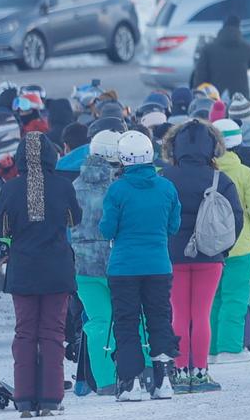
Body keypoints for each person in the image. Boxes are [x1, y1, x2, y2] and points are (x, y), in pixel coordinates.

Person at [0, 131, 79, 416]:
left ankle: (25, 398)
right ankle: (51, 399)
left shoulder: (10, 189)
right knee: (52, 332)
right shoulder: (63, 186)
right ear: (51, 155)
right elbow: (74, 219)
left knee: (25, 332)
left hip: (23, 270)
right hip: (56, 269)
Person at [161, 119, 240, 393]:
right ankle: (201, 371)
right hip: (210, 256)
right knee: (202, 314)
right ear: (213, 148)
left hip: (173, 256)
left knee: (179, 314)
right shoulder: (221, 179)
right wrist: (223, 250)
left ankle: (181, 372)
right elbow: (235, 219)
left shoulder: (165, 177)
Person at [101, 131, 180, 400]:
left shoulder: (118, 189)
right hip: (158, 265)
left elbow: (107, 229)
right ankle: (164, 379)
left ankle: (131, 382)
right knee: (159, 319)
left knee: (127, 321)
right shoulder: (166, 187)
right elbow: (174, 226)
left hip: (124, 267)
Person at [209, 119, 250, 362]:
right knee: (236, 296)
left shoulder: (207, 172)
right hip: (241, 246)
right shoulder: (245, 173)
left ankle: (210, 349)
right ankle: (230, 348)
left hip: (210, 246)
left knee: (213, 298)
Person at [70, 131, 124, 395]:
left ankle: (105, 380)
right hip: (114, 262)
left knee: (98, 321)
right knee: (130, 317)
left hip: (81, 265)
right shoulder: (116, 187)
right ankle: (139, 371)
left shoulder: (75, 185)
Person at [189, 16, 250, 100]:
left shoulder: (208, 49)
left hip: (214, 98)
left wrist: (198, 93)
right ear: (239, 27)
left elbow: (200, 75)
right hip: (240, 99)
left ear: (223, 26)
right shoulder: (246, 48)